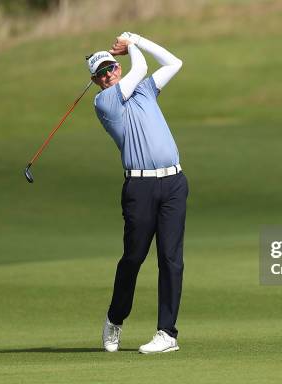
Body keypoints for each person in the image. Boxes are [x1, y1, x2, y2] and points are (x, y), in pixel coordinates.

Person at [87, 32, 187, 354]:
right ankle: (115, 319)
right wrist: (130, 45)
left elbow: (174, 62)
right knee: (133, 258)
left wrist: (139, 40)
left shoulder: (145, 91)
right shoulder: (104, 101)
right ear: (96, 81)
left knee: (171, 259)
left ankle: (166, 334)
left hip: (173, 183)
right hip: (139, 188)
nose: (107, 75)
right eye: (101, 74)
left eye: (111, 68)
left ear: (117, 67)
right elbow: (140, 69)